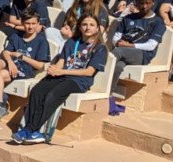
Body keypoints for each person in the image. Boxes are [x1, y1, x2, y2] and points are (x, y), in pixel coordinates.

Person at [12, 14, 107, 144]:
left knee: (52, 95)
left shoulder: (100, 48)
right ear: (79, 27)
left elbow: (89, 72)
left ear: (97, 29)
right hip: (63, 75)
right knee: (37, 90)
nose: (87, 27)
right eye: (84, 24)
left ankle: (30, 129)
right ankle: (33, 132)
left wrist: (62, 71)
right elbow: (62, 60)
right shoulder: (72, 42)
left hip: (79, 81)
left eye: (91, 25)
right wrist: (54, 70)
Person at [0, 11, 50, 133]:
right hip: (11, 65)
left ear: (38, 24)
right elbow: (6, 52)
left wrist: (21, 57)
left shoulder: (41, 41)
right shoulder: (17, 36)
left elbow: (41, 65)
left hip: (24, 69)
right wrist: (10, 62)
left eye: (33, 23)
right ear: (22, 23)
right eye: (27, 23)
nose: (30, 26)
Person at [109, 0, 166, 96]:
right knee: (118, 67)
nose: (144, 6)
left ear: (153, 2)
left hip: (143, 55)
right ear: (136, 3)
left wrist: (129, 45)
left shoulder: (158, 22)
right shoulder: (128, 18)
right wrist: (117, 42)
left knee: (117, 52)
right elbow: (116, 37)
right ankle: (109, 95)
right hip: (124, 50)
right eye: (141, 3)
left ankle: (91, 76)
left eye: (147, 3)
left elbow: (151, 45)